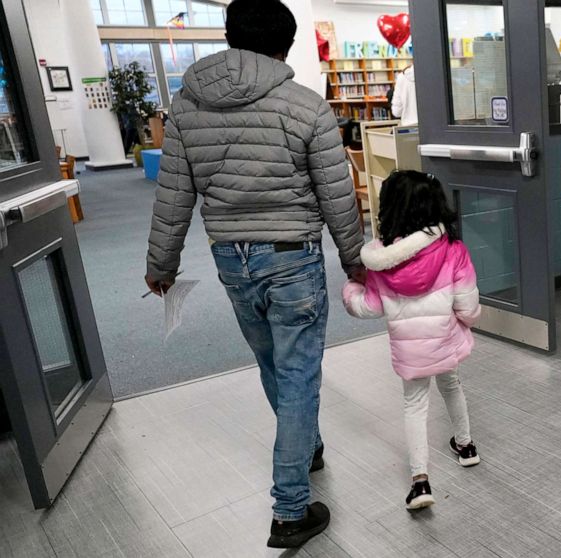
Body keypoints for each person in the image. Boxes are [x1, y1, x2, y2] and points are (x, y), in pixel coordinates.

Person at [144, 0, 365, 548]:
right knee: (297, 373)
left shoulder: (187, 107)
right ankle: (290, 509)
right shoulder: (307, 106)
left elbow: (174, 196)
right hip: (292, 256)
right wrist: (355, 259)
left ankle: (306, 444)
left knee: (273, 362)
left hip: (231, 259)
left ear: (228, 35)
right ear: (286, 46)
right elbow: (338, 197)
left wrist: (161, 265)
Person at [342, 170, 481, 510]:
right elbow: (469, 307)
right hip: (445, 341)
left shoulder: (381, 262)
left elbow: (370, 307)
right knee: (452, 387)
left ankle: (420, 482)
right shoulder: (453, 251)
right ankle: (466, 447)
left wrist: (351, 290)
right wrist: (463, 322)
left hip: (411, 352)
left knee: (414, 407)